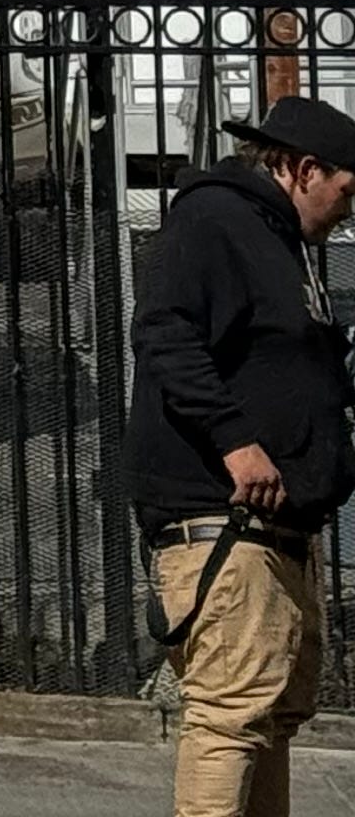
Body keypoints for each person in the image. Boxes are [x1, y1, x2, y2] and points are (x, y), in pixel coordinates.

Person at [132, 93, 355, 817]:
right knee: (230, 717)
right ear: (304, 169)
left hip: (282, 525)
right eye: (347, 191)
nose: (348, 211)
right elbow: (163, 331)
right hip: (226, 524)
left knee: (270, 717)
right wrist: (237, 442)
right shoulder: (215, 220)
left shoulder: (283, 243)